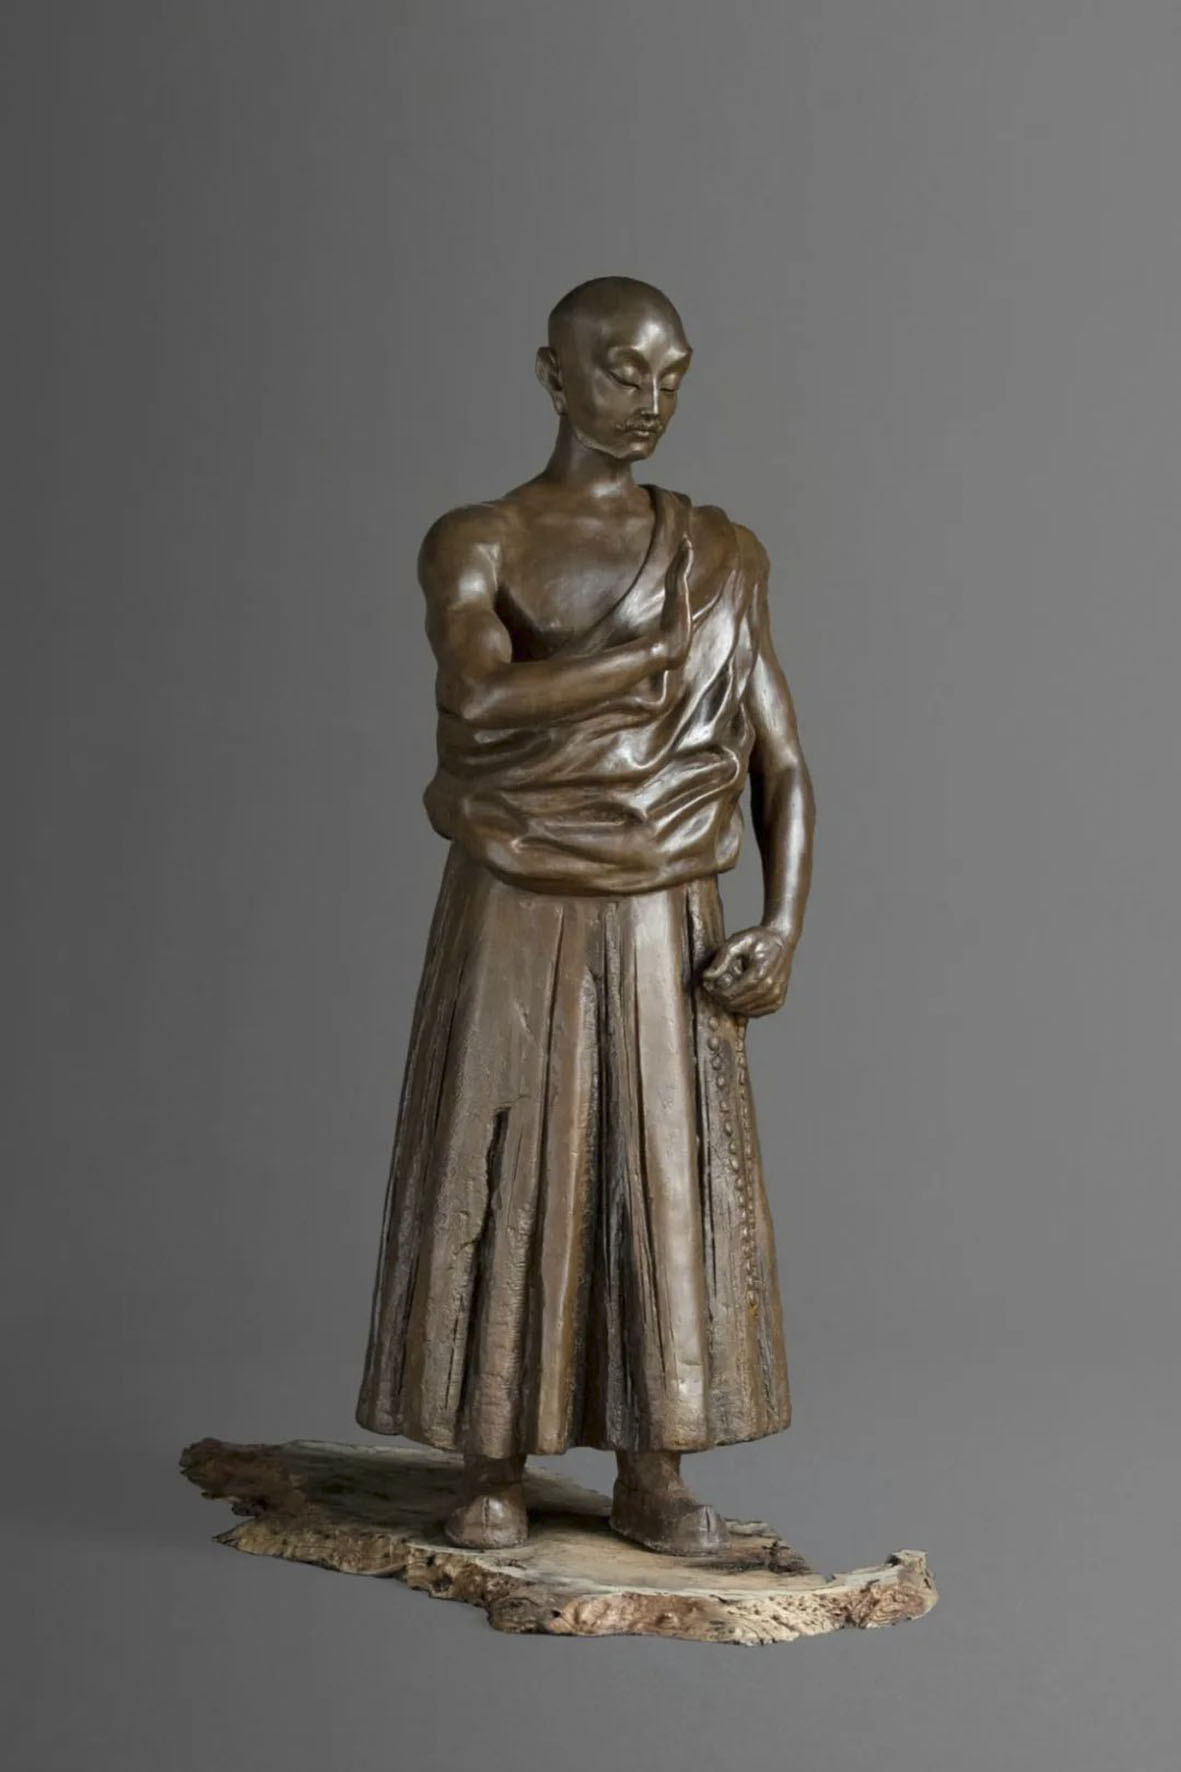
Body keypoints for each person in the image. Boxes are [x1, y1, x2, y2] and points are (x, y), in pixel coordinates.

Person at [356, 277, 815, 1556]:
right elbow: (478, 694)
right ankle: (488, 1458)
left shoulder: (719, 555)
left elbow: (778, 757)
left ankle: (653, 1469)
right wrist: (636, 666)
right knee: (501, 1156)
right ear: (552, 374)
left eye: (671, 375)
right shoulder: (480, 537)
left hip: (665, 905)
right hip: (514, 894)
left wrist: (783, 921)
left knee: (657, 1173)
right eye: (620, 370)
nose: (649, 399)